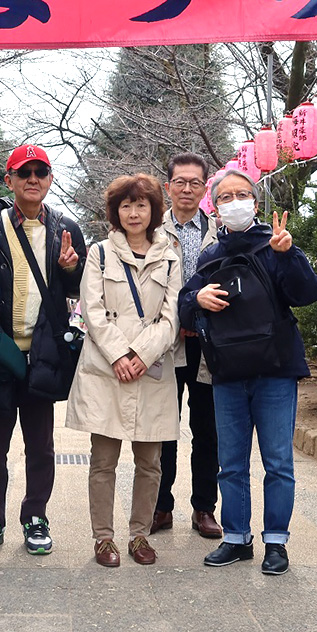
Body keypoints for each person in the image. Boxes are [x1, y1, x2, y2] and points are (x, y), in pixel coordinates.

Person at [178, 170, 317, 576]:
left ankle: (276, 542)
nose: (235, 201)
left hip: (275, 371)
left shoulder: (274, 244)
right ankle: (236, 537)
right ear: (217, 208)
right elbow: (183, 307)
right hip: (227, 372)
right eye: (226, 197)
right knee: (231, 463)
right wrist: (197, 297)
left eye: (242, 195)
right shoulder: (210, 257)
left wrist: (288, 254)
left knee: (278, 462)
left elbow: (308, 295)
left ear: (255, 204)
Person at [0, 144, 86, 556]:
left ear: (51, 179)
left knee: (41, 444)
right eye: (24, 173)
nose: (33, 179)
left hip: (43, 356)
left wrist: (72, 269)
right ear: (10, 180)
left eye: (41, 172)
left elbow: (77, 294)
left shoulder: (66, 228)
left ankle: (36, 516)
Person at [66, 173, 183, 568]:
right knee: (103, 461)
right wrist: (119, 355)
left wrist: (141, 355)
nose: (134, 213)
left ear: (154, 210)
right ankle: (103, 539)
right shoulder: (99, 253)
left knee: (151, 462)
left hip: (150, 371)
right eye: (126, 205)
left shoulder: (170, 256)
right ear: (115, 211)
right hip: (108, 369)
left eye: (142, 205)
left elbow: (171, 318)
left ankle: (139, 535)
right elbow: (92, 312)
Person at [154, 152, 222, 539]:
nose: (187, 189)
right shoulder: (151, 230)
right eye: (180, 182)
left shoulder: (221, 231)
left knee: (207, 429)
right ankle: (161, 506)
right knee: (163, 427)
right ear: (168, 186)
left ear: (205, 187)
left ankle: (203, 508)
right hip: (166, 344)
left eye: (195, 182)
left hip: (210, 345)